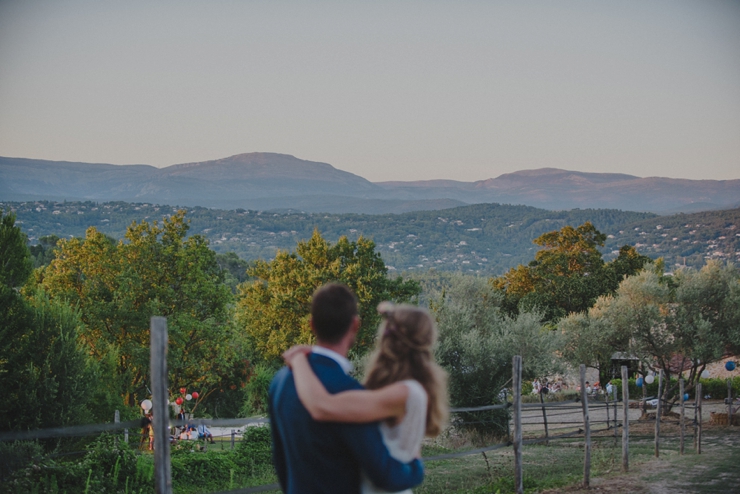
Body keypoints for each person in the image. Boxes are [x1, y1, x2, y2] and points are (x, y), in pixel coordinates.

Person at [268, 283, 425, 494]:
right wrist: (416, 467)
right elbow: (383, 474)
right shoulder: (349, 393)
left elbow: (281, 461)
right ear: (355, 325)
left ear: (312, 325)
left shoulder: (280, 380)